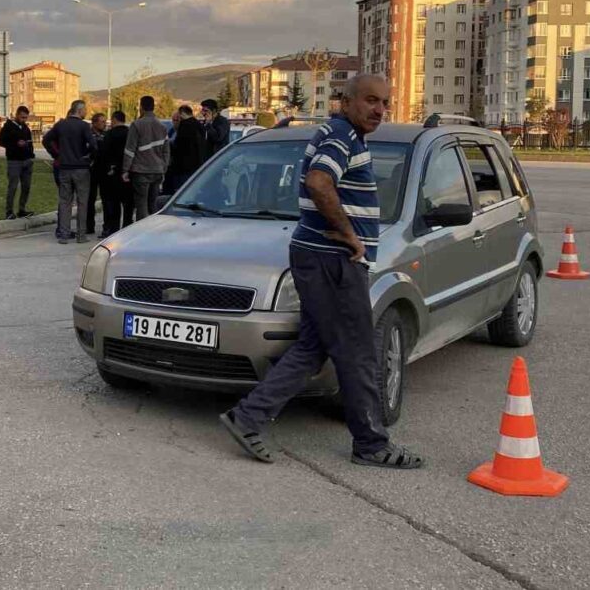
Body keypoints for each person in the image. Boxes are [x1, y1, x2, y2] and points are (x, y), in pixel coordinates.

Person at [218, 74, 423, 470]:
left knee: (313, 348)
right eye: (369, 100)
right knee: (359, 352)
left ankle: (247, 418)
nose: (379, 109)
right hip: (333, 261)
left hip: (319, 258)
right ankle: (371, 444)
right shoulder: (342, 136)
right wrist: (350, 234)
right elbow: (319, 181)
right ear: (345, 101)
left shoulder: (342, 133)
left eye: (384, 101)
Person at [42, 100, 96, 244]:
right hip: (81, 168)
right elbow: (94, 145)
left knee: (65, 202)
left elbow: (46, 140)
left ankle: (64, 235)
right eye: (85, 110)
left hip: (64, 168)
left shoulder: (61, 125)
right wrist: (88, 156)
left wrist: (57, 154)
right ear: (80, 110)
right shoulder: (84, 126)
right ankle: (81, 235)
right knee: (82, 202)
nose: (86, 112)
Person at [122, 95, 170, 221]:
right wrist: (163, 167)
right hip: (157, 171)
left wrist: (125, 170)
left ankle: (142, 231)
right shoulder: (162, 126)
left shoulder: (137, 125)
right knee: (153, 204)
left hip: (141, 171)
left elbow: (129, 150)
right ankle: (153, 229)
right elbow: (166, 151)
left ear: (141, 108)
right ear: (153, 107)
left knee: (141, 205)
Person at [97, 110, 134, 238]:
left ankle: (113, 229)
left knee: (113, 203)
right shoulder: (130, 133)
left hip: (112, 174)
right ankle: (128, 226)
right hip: (127, 172)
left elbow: (103, 153)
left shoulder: (109, 135)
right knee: (128, 203)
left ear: (114, 120)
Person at [0, 106, 36, 220]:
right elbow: (1, 141)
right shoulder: (8, 127)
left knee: (26, 186)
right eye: (22, 117)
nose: (24, 120)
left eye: (26, 118)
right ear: (17, 115)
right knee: (13, 187)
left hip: (27, 161)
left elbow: (30, 142)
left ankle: (22, 210)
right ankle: (9, 211)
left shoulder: (25, 128)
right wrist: (15, 144)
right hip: (14, 161)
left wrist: (31, 155)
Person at [166, 104, 207, 194]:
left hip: (183, 167)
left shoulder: (184, 126)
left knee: (181, 192)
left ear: (182, 113)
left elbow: (179, 146)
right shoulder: (200, 126)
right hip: (197, 165)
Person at [86, 113, 108, 235]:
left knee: (106, 200)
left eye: (105, 121)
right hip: (91, 170)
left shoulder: (106, 135)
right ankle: (89, 226)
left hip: (103, 171)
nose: (104, 124)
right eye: (102, 122)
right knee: (90, 199)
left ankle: (106, 226)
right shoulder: (88, 135)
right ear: (94, 123)